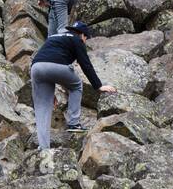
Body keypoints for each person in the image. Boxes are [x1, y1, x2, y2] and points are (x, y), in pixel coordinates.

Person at [29, 20, 115, 152]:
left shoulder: (53, 37)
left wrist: (48, 94)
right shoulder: (77, 40)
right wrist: (98, 86)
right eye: (86, 38)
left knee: (42, 108)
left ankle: (44, 148)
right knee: (76, 85)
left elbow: (44, 59)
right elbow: (85, 64)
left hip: (36, 68)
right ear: (82, 35)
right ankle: (74, 123)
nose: (85, 41)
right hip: (55, 66)